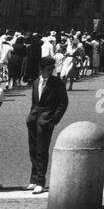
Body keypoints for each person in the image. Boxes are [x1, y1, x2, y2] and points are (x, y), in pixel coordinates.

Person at [25, 56, 68, 194]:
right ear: (41, 69)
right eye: (47, 69)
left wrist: (54, 120)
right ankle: (33, 179)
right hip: (33, 119)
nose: (50, 72)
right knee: (32, 149)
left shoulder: (57, 83)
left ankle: (40, 181)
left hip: (47, 120)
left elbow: (63, 103)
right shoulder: (36, 82)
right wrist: (31, 116)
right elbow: (34, 102)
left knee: (42, 151)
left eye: (51, 69)